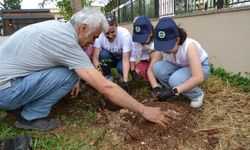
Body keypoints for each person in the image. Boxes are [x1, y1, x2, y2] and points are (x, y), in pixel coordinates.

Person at [0, 7, 168, 131]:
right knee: (70, 76)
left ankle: (20, 104)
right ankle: (30, 117)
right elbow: (106, 86)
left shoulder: (58, 28)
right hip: (7, 92)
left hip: (8, 83)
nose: (94, 43)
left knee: (72, 73)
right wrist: (144, 110)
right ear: (83, 28)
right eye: (94, 37)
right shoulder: (66, 40)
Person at [152, 17, 210, 108]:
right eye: (161, 45)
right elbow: (152, 68)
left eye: (167, 45)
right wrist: (155, 87)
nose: (163, 49)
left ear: (177, 40)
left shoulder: (189, 47)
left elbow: (199, 77)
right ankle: (180, 89)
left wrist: (174, 91)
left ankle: (196, 95)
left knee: (175, 80)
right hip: (179, 65)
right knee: (157, 68)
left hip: (200, 68)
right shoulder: (164, 48)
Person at [92, 13, 131, 93]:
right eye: (106, 33)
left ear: (116, 27)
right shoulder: (99, 36)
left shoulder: (125, 34)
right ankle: (108, 76)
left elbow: (126, 59)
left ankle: (122, 77)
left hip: (121, 59)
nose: (110, 36)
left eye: (113, 32)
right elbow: (95, 57)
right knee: (103, 54)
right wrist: (100, 75)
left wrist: (125, 81)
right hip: (109, 59)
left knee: (121, 67)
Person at [130, 16, 161, 97]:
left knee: (153, 54)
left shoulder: (157, 40)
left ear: (150, 33)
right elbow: (132, 55)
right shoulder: (135, 41)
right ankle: (147, 83)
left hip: (156, 61)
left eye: (143, 38)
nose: (140, 41)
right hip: (144, 61)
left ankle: (157, 82)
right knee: (137, 72)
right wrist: (132, 70)